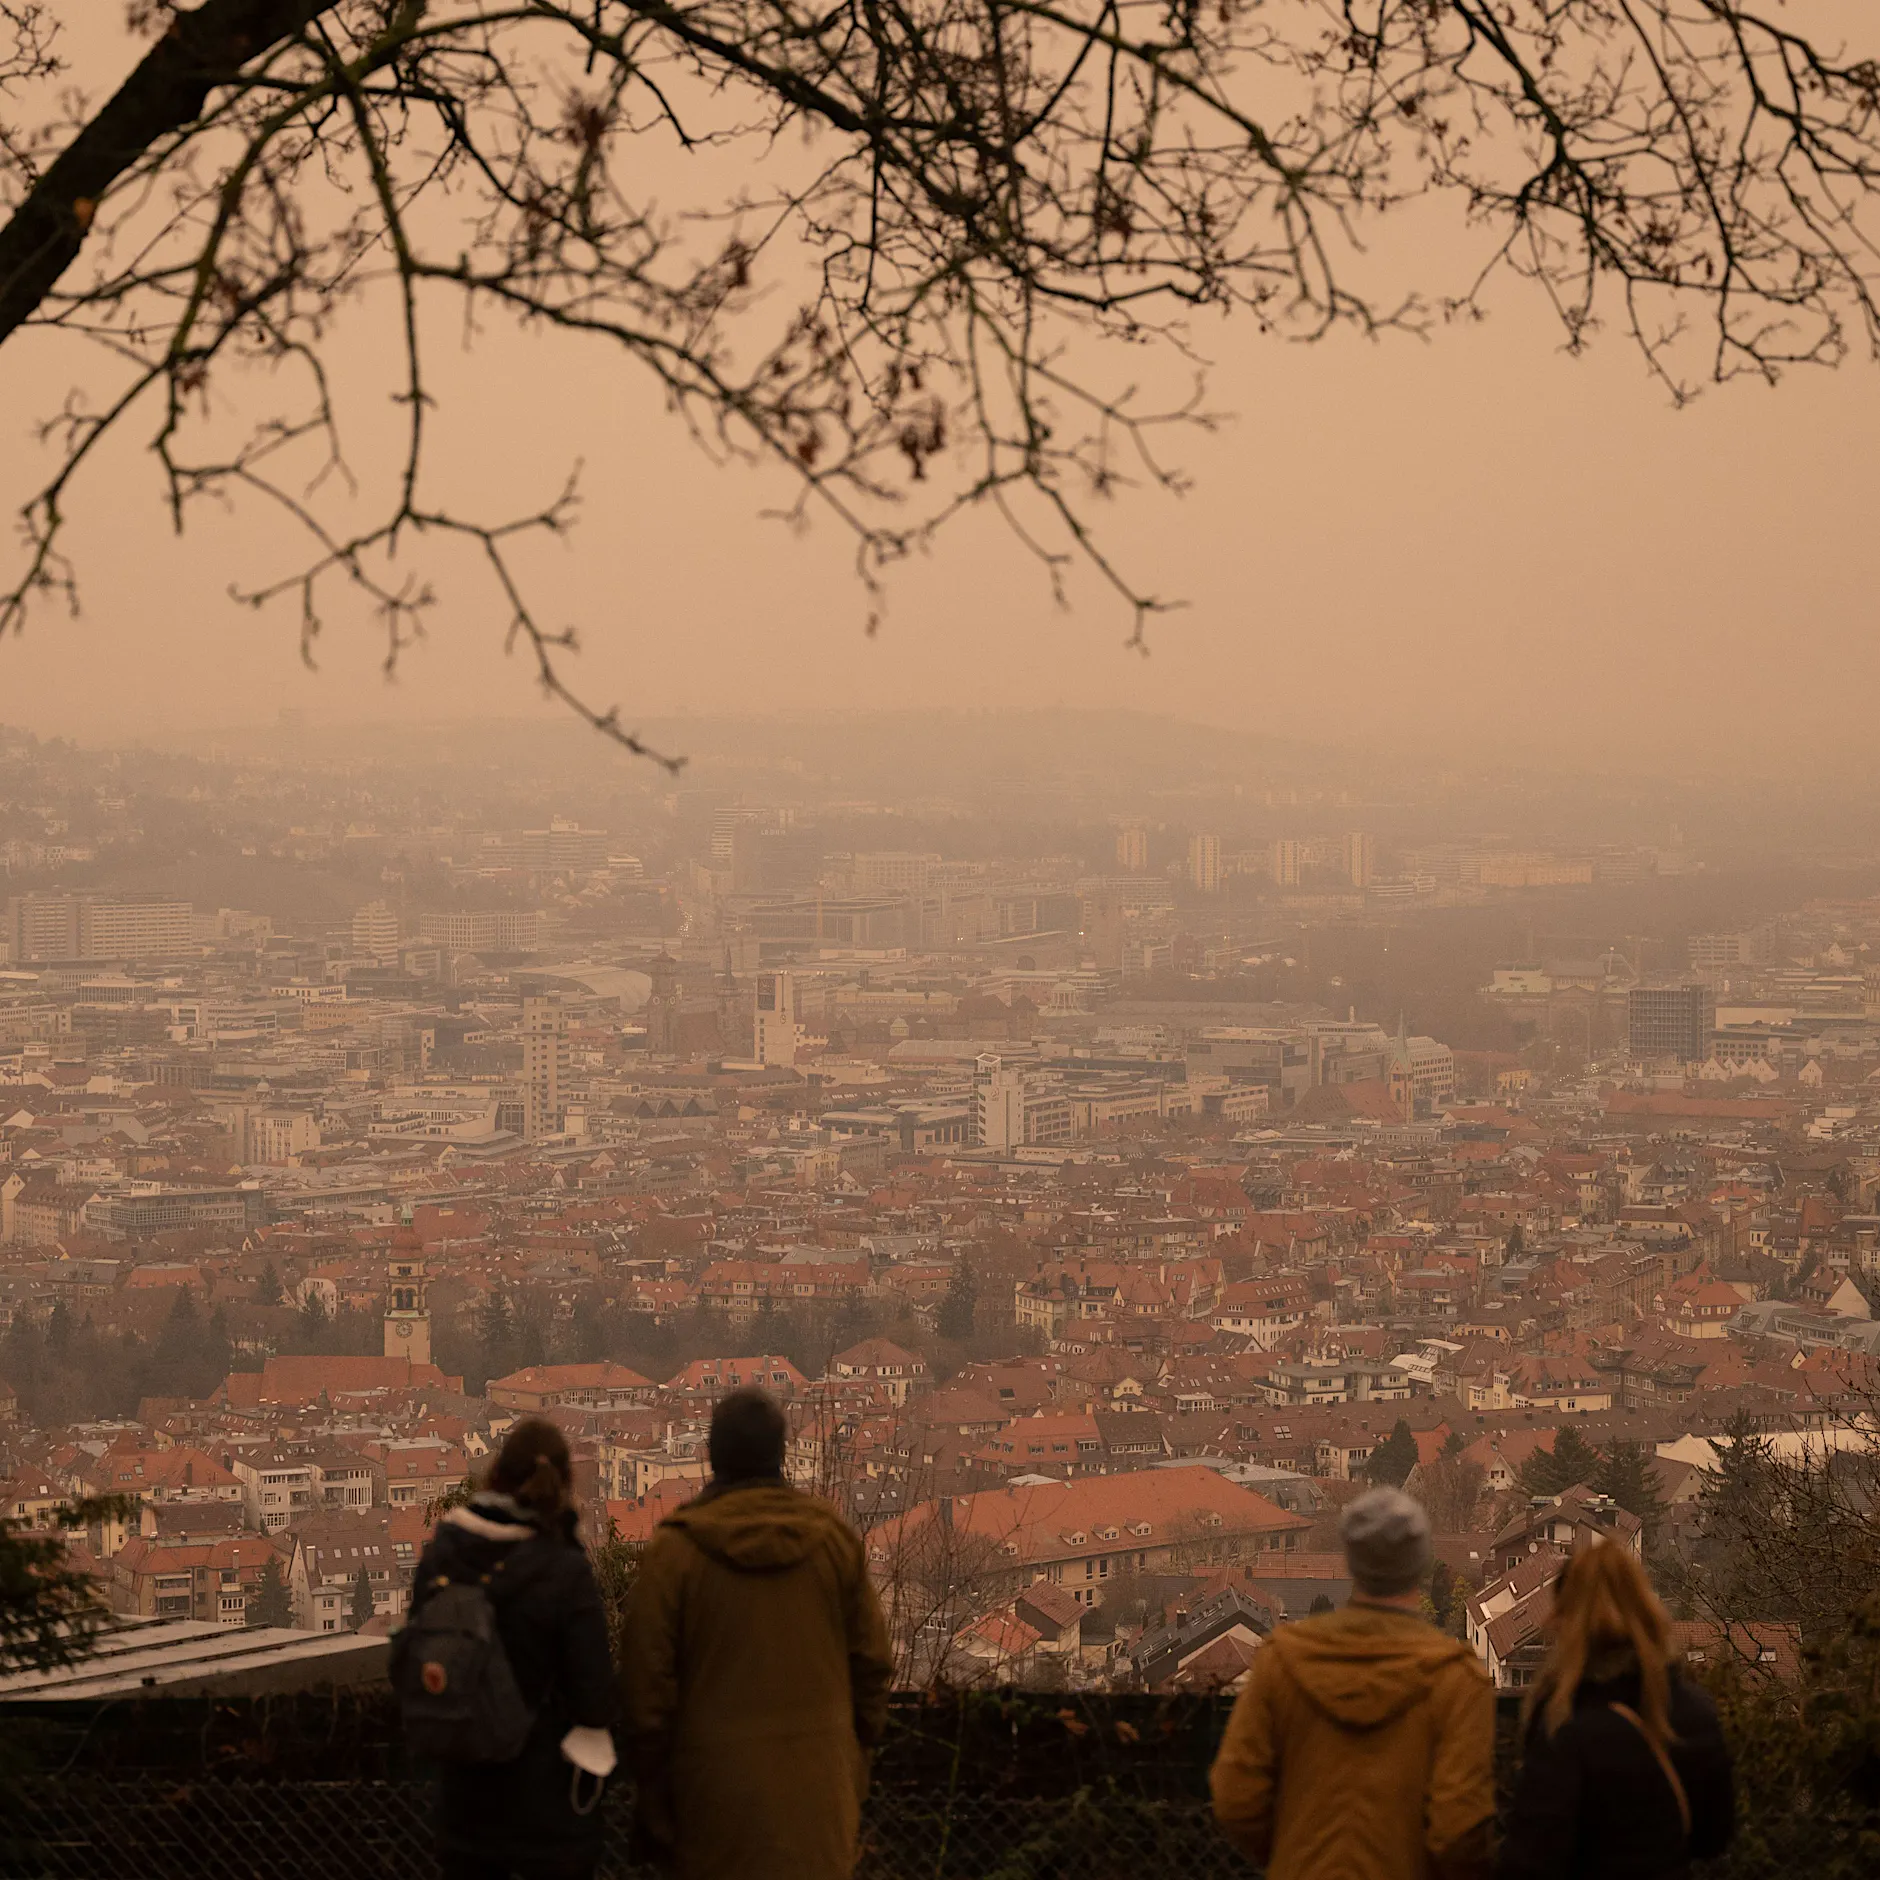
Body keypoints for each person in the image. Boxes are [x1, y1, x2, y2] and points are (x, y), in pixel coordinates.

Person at [621, 1386, 894, 1880]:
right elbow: (873, 1666)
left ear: (711, 1455)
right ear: (781, 1452)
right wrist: (853, 1761)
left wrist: (656, 1791)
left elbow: (646, 1692)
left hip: (712, 1806)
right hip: (819, 1801)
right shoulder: (832, 1540)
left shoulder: (676, 1553)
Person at [1211, 1486, 1495, 1880]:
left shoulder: (1284, 1661)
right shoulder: (1456, 1679)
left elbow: (1235, 1795)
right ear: (1420, 1564)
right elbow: (1459, 1828)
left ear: (1350, 1560)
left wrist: (1290, 1855)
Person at [406, 1417, 619, 1880]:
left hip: (463, 1797)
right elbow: (595, 1698)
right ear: (563, 1483)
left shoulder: (445, 1552)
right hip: (546, 1808)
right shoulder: (564, 1571)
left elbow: (416, 1655)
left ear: (495, 1475)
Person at [1500, 1543, 1733, 1880]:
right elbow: (1713, 1838)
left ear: (1567, 1619)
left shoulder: (1566, 1725)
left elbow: (1531, 1858)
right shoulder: (1694, 1713)